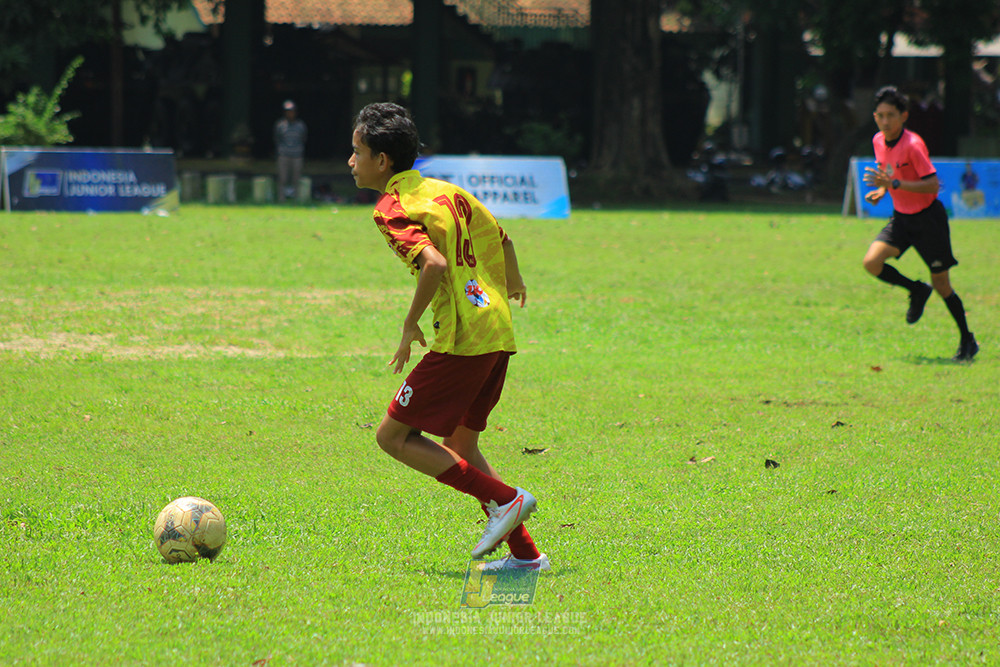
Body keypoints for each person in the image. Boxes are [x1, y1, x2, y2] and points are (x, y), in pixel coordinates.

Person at [348, 102, 548, 570]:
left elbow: (433, 264)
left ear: (382, 160)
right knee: (461, 445)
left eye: (357, 151)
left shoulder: (391, 208)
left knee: (392, 436)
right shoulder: (447, 191)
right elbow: (503, 238)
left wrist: (408, 325)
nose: (351, 161)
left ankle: (506, 498)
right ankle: (525, 556)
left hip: (462, 339)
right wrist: (515, 282)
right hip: (496, 328)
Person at [862, 86, 978, 362]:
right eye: (880, 115)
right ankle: (916, 289)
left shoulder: (913, 145)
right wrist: (882, 190)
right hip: (902, 219)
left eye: (890, 115)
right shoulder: (878, 140)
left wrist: (894, 184)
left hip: (928, 221)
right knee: (872, 263)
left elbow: (932, 185)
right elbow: (889, 171)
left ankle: (967, 339)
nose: (885, 121)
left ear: (903, 116)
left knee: (942, 284)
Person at [273, 100, 307, 201]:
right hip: (284, 155)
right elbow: (277, 139)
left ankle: (296, 199)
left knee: (296, 178)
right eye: (288, 111)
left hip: (297, 156)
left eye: (292, 111)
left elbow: (303, 138)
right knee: (282, 178)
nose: (290, 113)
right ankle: (281, 199)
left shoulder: (301, 125)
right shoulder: (280, 125)